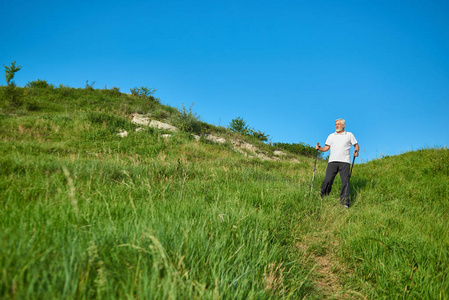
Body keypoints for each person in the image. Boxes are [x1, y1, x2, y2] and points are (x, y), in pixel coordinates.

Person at [315, 119, 359, 208]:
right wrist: (319, 149)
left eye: (338, 124)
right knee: (327, 180)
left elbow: (356, 145)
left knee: (345, 182)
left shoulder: (349, 135)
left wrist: (356, 151)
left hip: (345, 162)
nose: (336, 126)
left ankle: (345, 203)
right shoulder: (331, 136)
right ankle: (323, 197)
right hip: (332, 161)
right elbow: (326, 148)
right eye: (335, 124)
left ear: (343, 125)